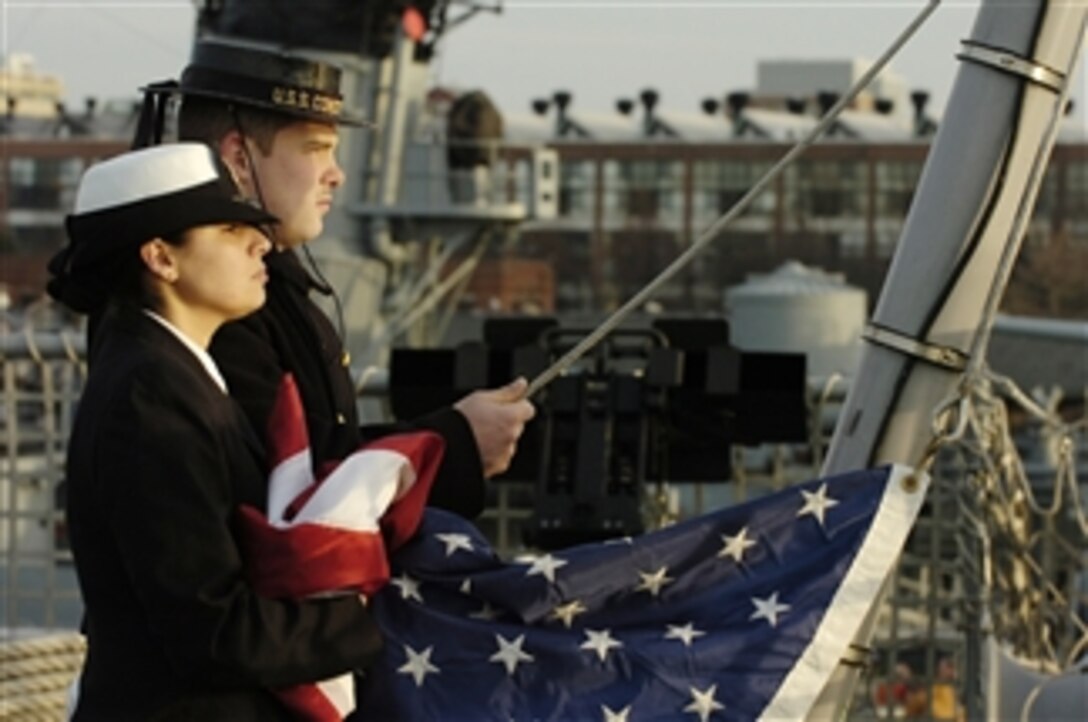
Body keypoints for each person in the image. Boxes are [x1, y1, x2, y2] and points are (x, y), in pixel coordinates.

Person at [48, 143, 383, 721]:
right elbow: (212, 627)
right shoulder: (149, 396)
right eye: (230, 229)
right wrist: (374, 618)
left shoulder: (172, 373)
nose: (260, 243)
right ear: (161, 258)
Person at [163, 39, 534, 515]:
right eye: (315, 149)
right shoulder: (215, 305)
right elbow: (286, 490)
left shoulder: (273, 285)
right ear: (239, 158)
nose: (335, 174)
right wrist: (453, 444)